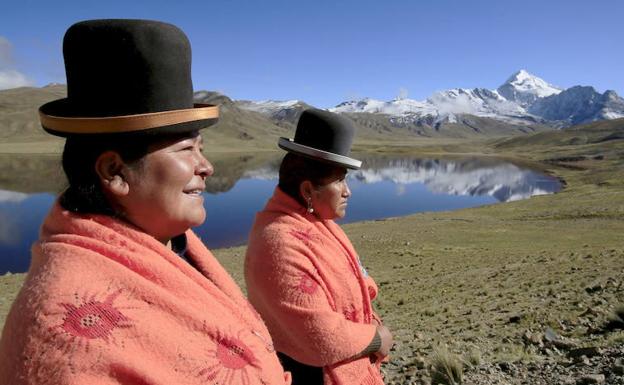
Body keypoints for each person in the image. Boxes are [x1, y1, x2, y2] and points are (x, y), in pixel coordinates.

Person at [0, 19, 290, 385]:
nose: (207, 167)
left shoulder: (174, 247)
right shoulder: (66, 334)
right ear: (114, 171)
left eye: (203, 149)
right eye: (187, 149)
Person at [245, 109, 393, 385]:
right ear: (307, 191)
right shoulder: (279, 243)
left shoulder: (314, 224)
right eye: (339, 180)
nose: (348, 191)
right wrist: (376, 338)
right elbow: (317, 335)